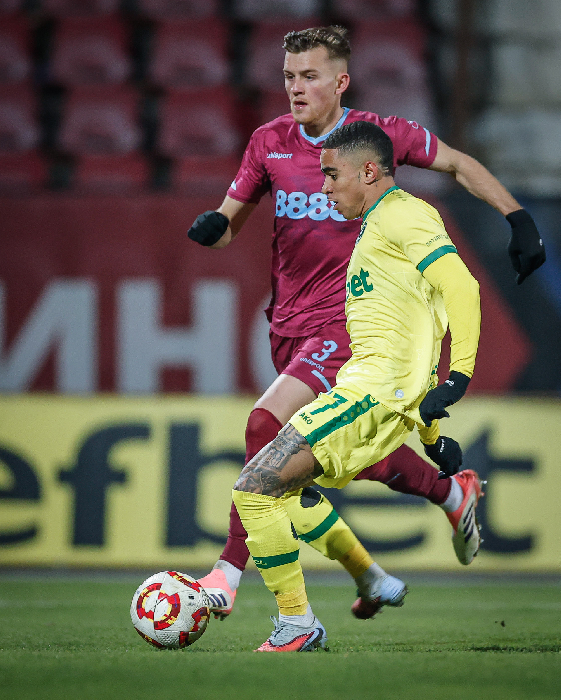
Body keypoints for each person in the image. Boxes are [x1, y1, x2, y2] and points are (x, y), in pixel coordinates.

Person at [187, 26, 544, 622]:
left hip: (349, 323)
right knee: (326, 459)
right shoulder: (268, 142)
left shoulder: (377, 138)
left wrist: (517, 217)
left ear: (340, 81)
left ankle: (228, 574)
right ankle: (413, 530)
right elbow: (228, 224)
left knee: (264, 429)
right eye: (289, 77)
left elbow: (457, 164)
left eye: (309, 76)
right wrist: (212, 230)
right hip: (289, 322)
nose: (296, 88)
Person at [232, 119, 482, 651]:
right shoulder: (377, 228)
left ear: (369, 171)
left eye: (331, 175)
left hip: (369, 396)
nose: (323, 188)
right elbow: (416, 336)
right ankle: (365, 577)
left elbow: (462, 286)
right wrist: (432, 435)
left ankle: (297, 624)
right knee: (281, 491)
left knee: (253, 489)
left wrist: (460, 376)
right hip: (377, 395)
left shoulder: (402, 215)